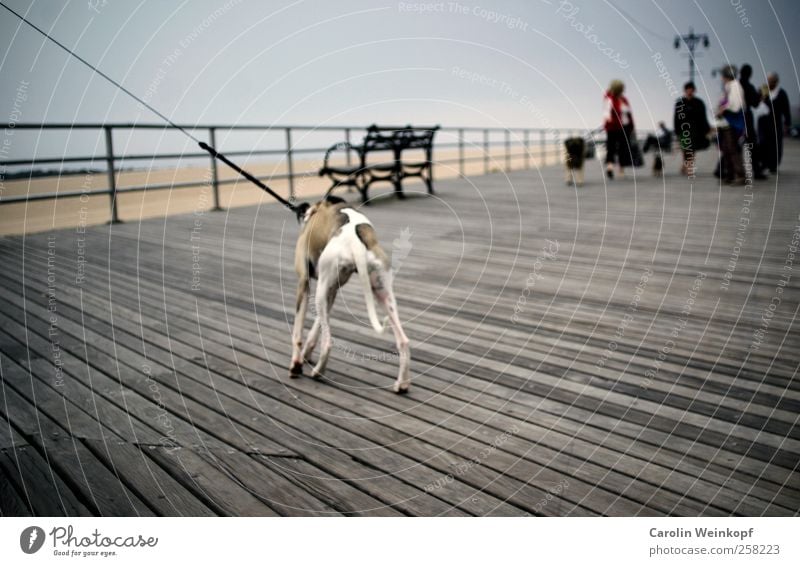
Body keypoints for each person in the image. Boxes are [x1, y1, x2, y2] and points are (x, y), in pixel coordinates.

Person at [715, 65, 746, 185]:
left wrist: (723, 108)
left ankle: (740, 175)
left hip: (732, 123)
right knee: (726, 150)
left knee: (732, 150)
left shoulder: (735, 86)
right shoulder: (729, 87)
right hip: (726, 124)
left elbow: (736, 105)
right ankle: (730, 175)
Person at [673, 81, 710, 176]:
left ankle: (689, 167)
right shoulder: (679, 102)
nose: (689, 91)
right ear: (685, 90)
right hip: (683, 129)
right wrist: (676, 131)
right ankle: (686, 166)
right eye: (688, 89)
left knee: (692, 149)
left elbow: (703, 117)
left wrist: (706, 129)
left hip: (695, 130)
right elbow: (676, 118)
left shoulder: (699, 102)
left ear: (694, 90)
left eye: (691, 89)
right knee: (685, 149)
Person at [758, 72, 792, 173]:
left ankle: (773, 165)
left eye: (771, 81)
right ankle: (763, 163)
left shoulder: (781, 93)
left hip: (775, 123)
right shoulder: (762, 90)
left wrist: (787, 124)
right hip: (763, 123)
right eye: (768, 80)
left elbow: (786, 110)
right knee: (763, 143)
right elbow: (755, 102)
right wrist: (762, 97)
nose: (769, 83)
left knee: (775, 145)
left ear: (776, 82)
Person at [739, 64, 766, 179]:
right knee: (752, 145)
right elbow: (755, 103)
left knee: (734, 143)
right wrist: (760, 94)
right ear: (750, 74)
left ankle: (720, 167)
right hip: (746, 117)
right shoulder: (749, 86)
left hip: (736, 116)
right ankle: (757, 171)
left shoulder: (736, 85)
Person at [603, 79, 634, 179]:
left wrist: (632, 126)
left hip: (625, 127)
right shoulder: (609, 98)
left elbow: (629, 114)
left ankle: (622, 169)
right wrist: (613, 123)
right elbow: (606, 114)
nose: (623, 90)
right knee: (611, 148)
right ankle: (610, 168)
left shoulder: (624, 99)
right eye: (621, 88)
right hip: (613, 128)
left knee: (623, 148)